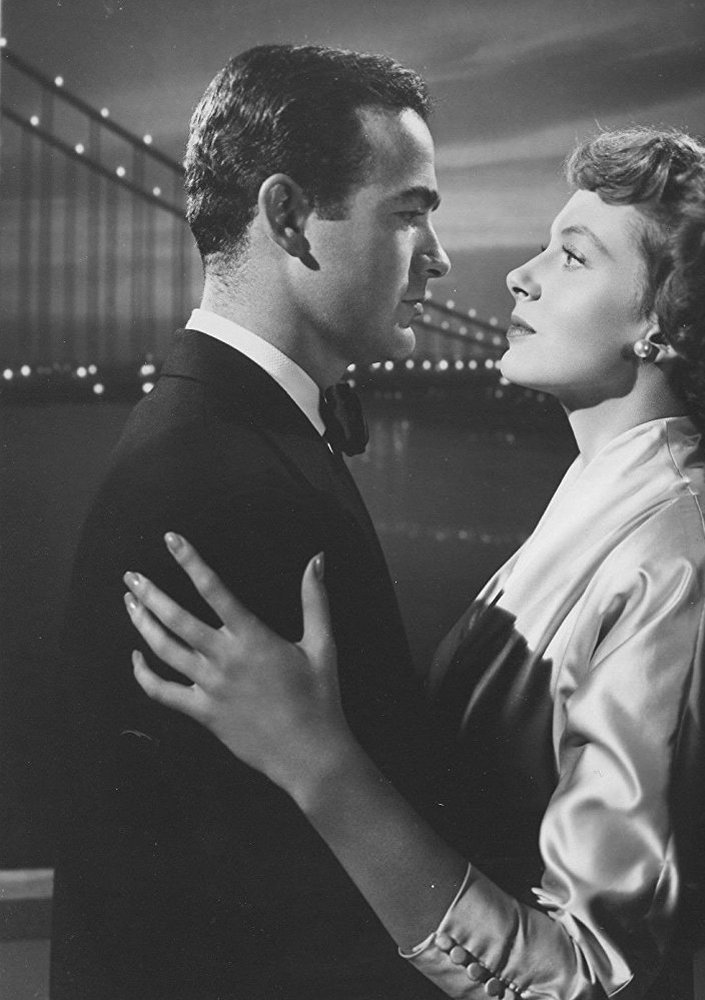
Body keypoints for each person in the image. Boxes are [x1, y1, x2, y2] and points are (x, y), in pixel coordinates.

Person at [121, 127, 705, 999]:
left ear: (663, 325)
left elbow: (584, 978)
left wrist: (314, 759)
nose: (520, 276)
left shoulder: (683, 574)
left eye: (572, 256)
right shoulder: (606, 510)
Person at [51, 44, 451, 1000]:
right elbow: (273, 914)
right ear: (288, 217)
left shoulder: (215, 431)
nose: (437, 258)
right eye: (408, 214)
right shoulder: (225, 484)